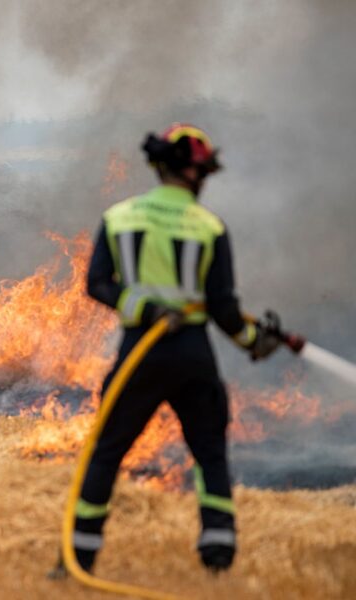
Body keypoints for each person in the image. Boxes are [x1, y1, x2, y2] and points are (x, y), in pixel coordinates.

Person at [74, 123, 283, 572]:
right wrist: (253, 342)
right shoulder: (209, 227)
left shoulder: (119, 217)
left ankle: (78, 555)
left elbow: (96, 285)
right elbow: (223, 308)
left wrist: (144, 310)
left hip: (139, 353)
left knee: (107, 450)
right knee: (209, 452)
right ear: (195, 173)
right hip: (192, 353)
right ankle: (218, 554)